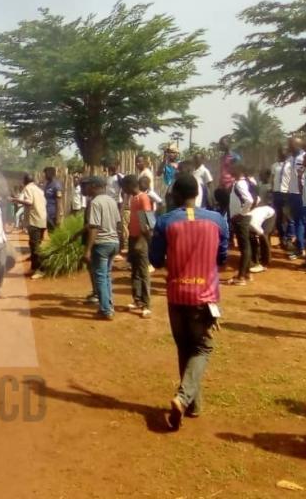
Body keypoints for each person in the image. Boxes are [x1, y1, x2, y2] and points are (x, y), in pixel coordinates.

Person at [149, 174, 228, 431]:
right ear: (198, 192)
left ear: (175, 195)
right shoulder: (217, 220)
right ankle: (184, 398)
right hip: (204, 297)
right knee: (202, 348)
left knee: (185, 346)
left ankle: (192, 404)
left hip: (177, 294)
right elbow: (222, 256)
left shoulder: (165, 222)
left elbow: (157, 260)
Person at [84, 177, 121, 319]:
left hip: (102, 244)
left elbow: (94, 227)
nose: (86, 189)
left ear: (94, 186)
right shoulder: (112, 201)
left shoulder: (95, 202)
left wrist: (87, 249)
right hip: (114, 242)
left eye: (88, 186)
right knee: (106, 276)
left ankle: (105, 310)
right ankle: (109, 306)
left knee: (100, 277)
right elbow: (118, 223)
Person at [124, 175, 153, 318]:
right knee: (135, 271)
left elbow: (147, 221)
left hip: (141, 240)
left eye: (124, 187)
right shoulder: (133, 199)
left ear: (130, 185)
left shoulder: (143, 198)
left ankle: (147, 304)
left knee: (143, 272)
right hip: (133, 237)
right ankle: (137, 300)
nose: (124, 190)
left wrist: (143, 240)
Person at [12, 173, 47, 279]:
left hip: (34, 220)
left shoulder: (27, 188)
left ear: (25, 181)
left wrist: (16, 200)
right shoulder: (39, 189)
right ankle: (34, 267)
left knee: (35, 245)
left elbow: (29, 202)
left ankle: (40, 270)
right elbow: (44, 202)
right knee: (36, 244)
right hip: (42, 219)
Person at [228, 163, 257, 286]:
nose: (230, 170)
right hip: (243, 217)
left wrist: (241, 213)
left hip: (241, 219)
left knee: (244, 247)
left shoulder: (240, 184)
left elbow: (249, 200)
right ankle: (246, 273)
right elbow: (256, 199)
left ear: (238, 171)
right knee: (246, 246)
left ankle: (241, 277)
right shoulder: (245, 183)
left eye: (232, 168)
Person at [284, 136, 305, 260]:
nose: (289, 146)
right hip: (292, 194)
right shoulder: (291, 158)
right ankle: (300, 247)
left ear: (297, 145)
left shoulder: (304, 157)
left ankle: (301, 248)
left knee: (300, 222)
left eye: (291, 144)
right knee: (298, 221)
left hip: (301, 194)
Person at [271, 145, 293, 251]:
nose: (283, 153)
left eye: (285, 150)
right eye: (281, 151)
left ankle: (289, 238)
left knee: (289, 217)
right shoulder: (274, 166)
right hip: (276, 194)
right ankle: (282, 238)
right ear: (279, 153)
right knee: (278, 218)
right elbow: (272, 179)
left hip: (287, 193)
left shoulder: (290, 165)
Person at [249, 204, 275, 273]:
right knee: (251, 238)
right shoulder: (243, 222)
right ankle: (254, 260)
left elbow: (262, 235)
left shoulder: (253, 224)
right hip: (259, 215)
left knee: (264, 237)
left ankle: (265, 262)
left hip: (270, 215)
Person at [158, 145, 180, 211]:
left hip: (176, 192)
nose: (170, 154)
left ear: (177, 154)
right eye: (169, 152)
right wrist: (164, 160)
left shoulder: (180, 164)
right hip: (166, 191)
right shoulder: (165, 165)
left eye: (173, 152)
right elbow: (158, 173)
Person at [43, 167, 63, 232]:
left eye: (45, 173)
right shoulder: (47, 184)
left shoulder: (56, 185)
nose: (44, 175)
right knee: (50, 232)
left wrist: (58, 217)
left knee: (55, 233)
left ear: (50, 173)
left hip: (54, 215)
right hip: (48, 214)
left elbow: (59, 202)